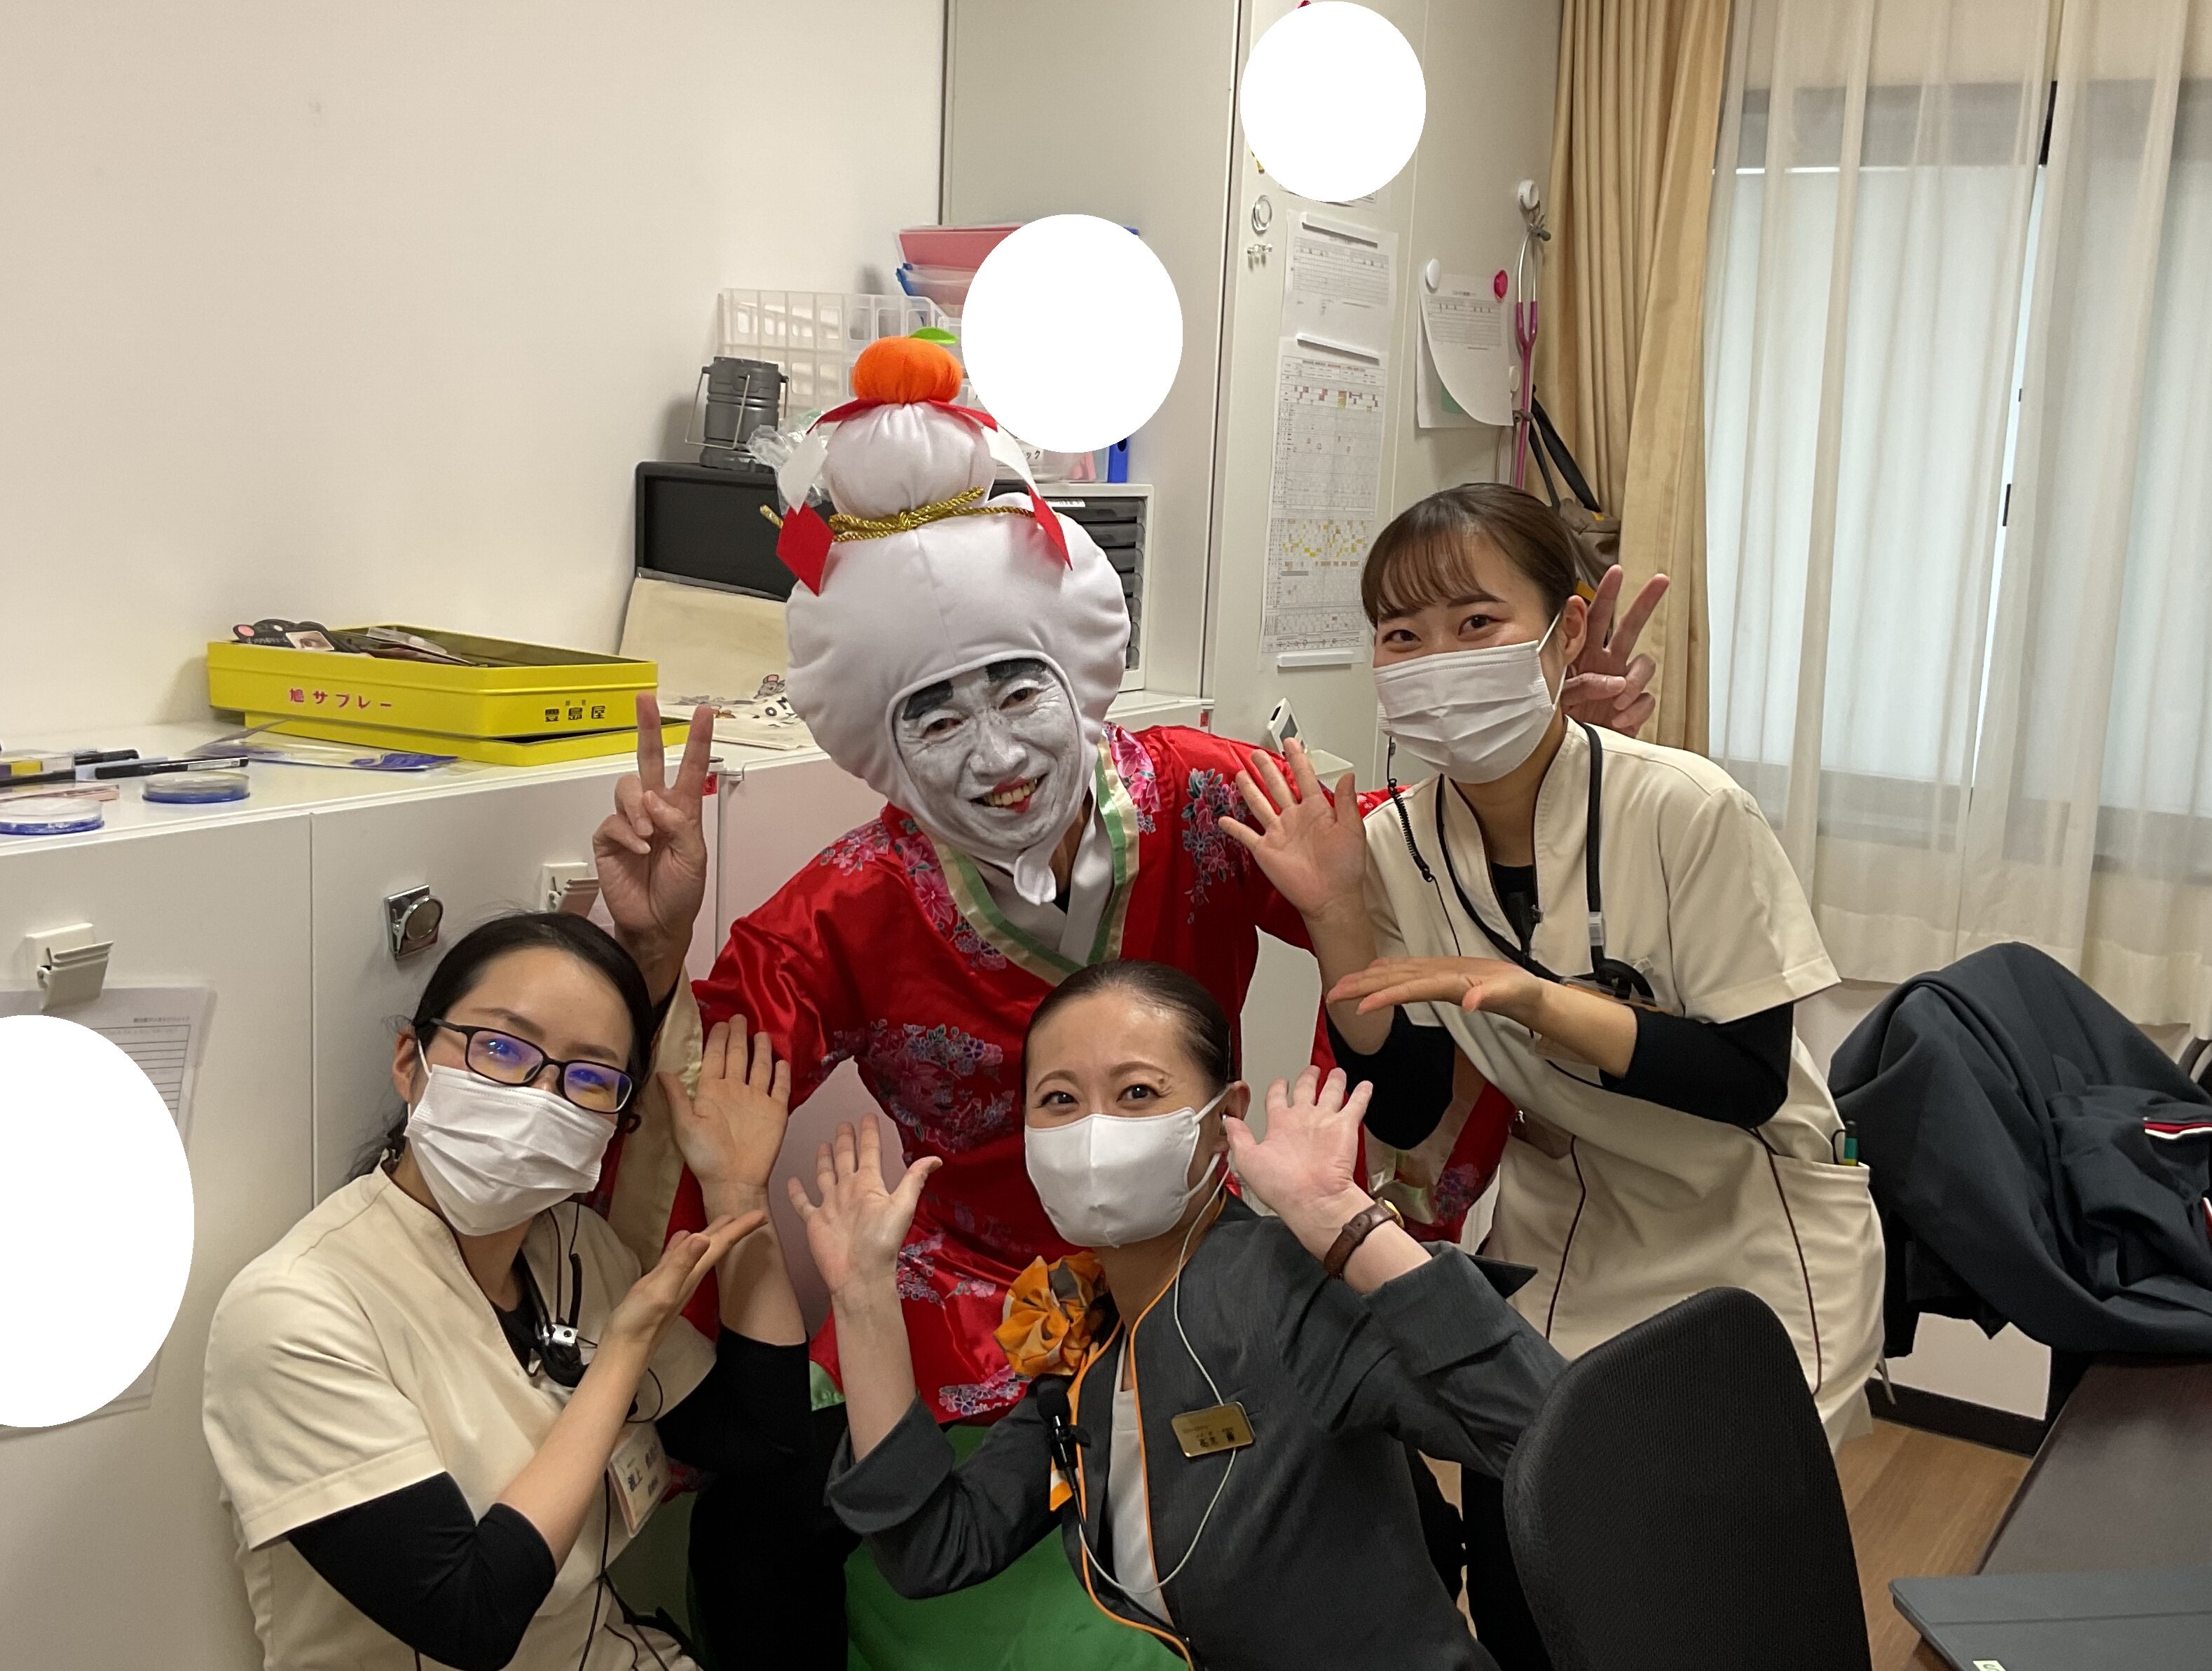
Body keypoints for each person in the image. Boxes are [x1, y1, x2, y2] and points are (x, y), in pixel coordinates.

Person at [589, 335, 1661, 1666]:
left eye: (1016, 690)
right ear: (881, 746)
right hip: (963, 1308)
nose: (994, 754)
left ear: (1077, 681)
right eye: (935, 718)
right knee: (795, 1551)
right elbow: (702, 1084)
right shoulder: (848, 905)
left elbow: (1401, 877)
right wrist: (652, 950)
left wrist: (1544, 765)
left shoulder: (1206, 793)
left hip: (1202, 1264)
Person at [1221, 483, 1885, 1451]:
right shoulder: (1393, 844)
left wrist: (1538, 1003)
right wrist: (1334, 916)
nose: (1436, 660)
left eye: (1476, 623)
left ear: (1563, 632)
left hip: (1745, 1229)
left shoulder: (1685, 808)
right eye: (1401, 636)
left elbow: (1746, 1080)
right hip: (1570, 1222)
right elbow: (1403, 1108)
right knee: (1528, 1504)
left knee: (1700, 1523)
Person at [795, 958, 1565, 1671]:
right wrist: (863, 1296)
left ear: (1223, 1117)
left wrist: (1343, 1220)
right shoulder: (1088, 1336)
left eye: (1137, 1093)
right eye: (1059, 1099)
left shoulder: (1286, 1287)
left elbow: (1551, 1441)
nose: (1093, 1132)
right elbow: (935, 1548)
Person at [201, 912, 812, 1671]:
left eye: (589, 1077)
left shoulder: (579, 1250)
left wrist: (737, 1192)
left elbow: (761, 1439)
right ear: (410, 1061)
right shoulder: (296, 1311)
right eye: (500, 1048)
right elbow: (470, 1618)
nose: (539, 1096)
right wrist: (622, 1351)